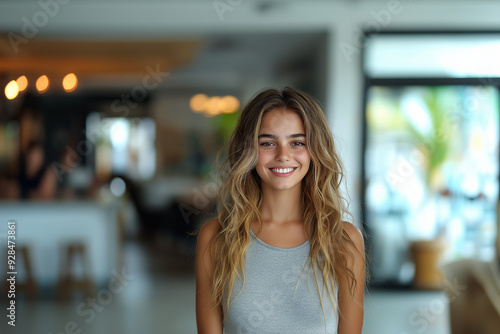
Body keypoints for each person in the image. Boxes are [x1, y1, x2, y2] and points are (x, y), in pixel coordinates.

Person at [195, 87, 366, 334]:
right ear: (249, 151)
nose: (283, 155)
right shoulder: (216, 237)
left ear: (314, 150)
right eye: (267, 143)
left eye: (297, 142)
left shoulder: (345, 240)